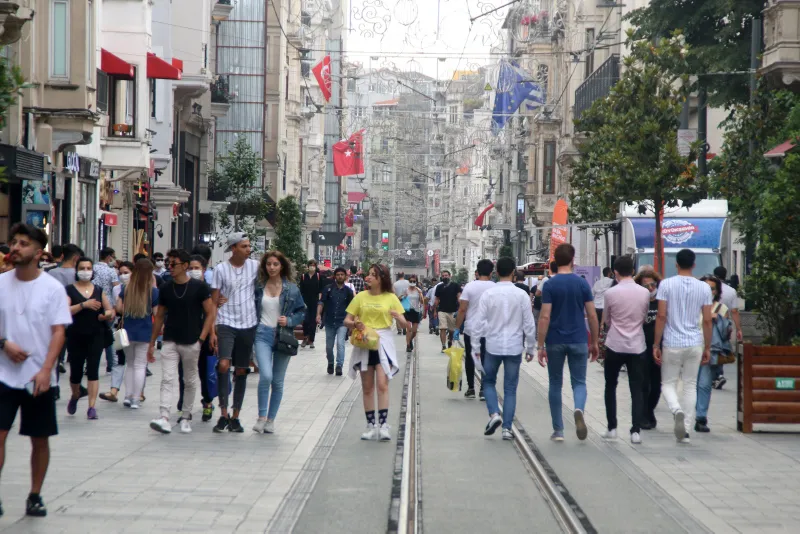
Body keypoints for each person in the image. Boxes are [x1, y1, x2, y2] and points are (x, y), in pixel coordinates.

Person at [0, 223, 72, 517]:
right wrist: (4, 344)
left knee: (39, 439)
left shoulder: (52, 288)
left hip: (38, 377)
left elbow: (58, 332)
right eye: (14, 242)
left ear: (38, 252)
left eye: (24, 243)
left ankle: (35, 494)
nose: (16, 248)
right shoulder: (1, 283)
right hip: (3, 374)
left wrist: (46, 369)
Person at [148, 249, 216, 434]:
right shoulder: (165, 287)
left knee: (190, 380)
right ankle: (163, 417)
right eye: (168, 263)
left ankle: (186, 416)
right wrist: (152, 342)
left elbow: (210, 313)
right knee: (167, 379)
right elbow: (160, 315)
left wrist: (201, 338)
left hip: (192, 341)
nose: (169, 267)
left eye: (173, 264)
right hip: (170, 339)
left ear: (184, 266)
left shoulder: (199, 287)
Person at [537, 244, 599, 442]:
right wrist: (595, 341)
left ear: (555, 260)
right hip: (578, 339)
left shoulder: (549, 285)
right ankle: (578, 409)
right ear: (572, 260)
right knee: (579, 382)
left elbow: (544, 316)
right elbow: (591, 314)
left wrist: (540, 345)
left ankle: (559, 430)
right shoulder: (582, 284)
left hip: (555, 340)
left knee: (555, 383)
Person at [470, 257, 536, 440]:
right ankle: (507, 428)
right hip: (514, 347)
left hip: (493, 345)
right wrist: (530, 348)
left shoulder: (489, 294)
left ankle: (494, 414)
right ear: (513, 272)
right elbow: (529, 324)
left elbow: (478, 322)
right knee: (510, 388)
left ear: (496, 272)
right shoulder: (521, 295)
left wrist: (475, 346)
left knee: (488, 381)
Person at [653, 248, 713, 444]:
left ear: (676, 264)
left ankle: (675, 409)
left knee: (668, 383)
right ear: (694, 264)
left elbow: (661, 316)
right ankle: (685, 430)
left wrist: (656, 343)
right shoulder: (704, 288)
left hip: (671, 341)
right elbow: (707, 321)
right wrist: (708, 347)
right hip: (695, 342)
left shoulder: (666, 285)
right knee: (690, 385)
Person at [344, 264, 407, 441]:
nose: (369, 277)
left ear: (382, 278)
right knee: (367, 387)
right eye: (369, 274)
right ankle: (371, 425)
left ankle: (384, 424)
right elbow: (346, 320)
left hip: (383, 342)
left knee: (382, 384)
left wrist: (398, 317)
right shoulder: (360, 297)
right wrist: (354, 324)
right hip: (365, 341)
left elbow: (404, 324)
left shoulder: (391, 297)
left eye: (373, 275)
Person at [252, 251, 306, 433]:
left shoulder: (292, 289)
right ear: (264, 266)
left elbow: (302, 311)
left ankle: (270, 420)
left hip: (283, 335)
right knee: (265, 375)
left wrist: (289, 321)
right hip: (262, 334)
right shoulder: (259, 286)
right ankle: (261, 416)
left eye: (275, 264)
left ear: (282, 266)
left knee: (278, 381)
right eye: (269, 264)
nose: (272, 267)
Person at [210, 233, 259, 433]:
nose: (248, 249)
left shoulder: (255, 266)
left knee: (241, 369)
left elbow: (274, 273)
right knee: (223, 364)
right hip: (226, 322)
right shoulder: (221, 269)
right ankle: (223, 413)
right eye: (244, 246)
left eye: (249, 246)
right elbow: (214, 300)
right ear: (233, 248)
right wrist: (212, 328)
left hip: (248, 323)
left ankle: (236, 415)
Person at [600, 256, 650, 444]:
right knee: (636, 388)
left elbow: (607, 320)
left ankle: (612, 427)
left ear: (615, 272)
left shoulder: (610, 293)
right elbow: (644, 317)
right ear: (633, 270)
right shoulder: (644, 293)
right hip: (637, 345)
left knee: (610, 385)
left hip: (615, 344)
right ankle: (635, 430)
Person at [65, 257, 115, 420]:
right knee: (76, 373)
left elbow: (110, 310)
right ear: (77, 271)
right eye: (82, 268)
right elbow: (64, 311)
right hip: (76, 335)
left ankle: (92, 407)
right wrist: (83, 305)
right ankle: (75, 394)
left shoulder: (99, 290)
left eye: (88, 268)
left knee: (93, 370)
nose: (85, 271)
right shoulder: (69, 290)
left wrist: (106, 315)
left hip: (96, 334)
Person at [116, 258, 160, 410]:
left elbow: (118, 308)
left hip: (128, 331)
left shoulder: (127, 288)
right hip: (145, 331)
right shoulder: (153, 292)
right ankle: (136, 398)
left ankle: (127, 396)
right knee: (140, 365)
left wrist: (129, 312)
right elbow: (156, 313)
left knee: (130, 364)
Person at [694, 275, 731, 433]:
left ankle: (701, 417)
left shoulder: (722, 309)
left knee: (703, 384)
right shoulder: (691, 307)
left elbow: (726, 334)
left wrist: (720, 320)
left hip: (710, 350)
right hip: (690, 349)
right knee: (690, 385)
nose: (709, 291)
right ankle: (689, 413)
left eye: (712, 288)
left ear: (717, 291)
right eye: (706, 288)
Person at [454, 259, 495, 400]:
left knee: (471, 358)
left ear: (477, 271)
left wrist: (457, 327)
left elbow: (462, 309)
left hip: (471, 329)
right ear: (491, 272)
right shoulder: (495, 287)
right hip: (489, 331)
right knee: (486, 359)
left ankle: (471, 388)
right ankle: (484, 389)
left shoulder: (469, 287)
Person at [99, 261, 134, 403]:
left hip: (136, 328)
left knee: (135, 363)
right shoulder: (117, 289)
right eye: (121, 273)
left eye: (127, 272)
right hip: (120, 326)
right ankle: (114, 390)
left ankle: (134, 393)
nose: (123, 275)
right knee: (119, 359)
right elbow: (115, 307)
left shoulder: (140, 288)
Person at [634, 269, 662, 430]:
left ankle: (649, 410)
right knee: (643, 383)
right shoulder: (638, 302)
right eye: (646, 285)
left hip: (658, 347)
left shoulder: (661, 302)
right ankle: (644, 415)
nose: (650, 288)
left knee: (657, 384)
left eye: (653, 284)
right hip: (640, 347)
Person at [317, 267, 354, 374]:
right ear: (335, 276)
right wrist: (318, 314)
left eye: (342, 275)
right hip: (329, 321)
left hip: (342, 321)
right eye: (338, 275)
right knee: (329, 346)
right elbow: (321, 302)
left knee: (340, 343)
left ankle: (339, 365)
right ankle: (331, 363)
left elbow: (352, 308)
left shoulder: (348, 291)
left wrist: (351, 323)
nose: (340, 276)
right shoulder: (328, 289)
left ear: (345, 276)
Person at [712, 266, 742, 390]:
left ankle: (717, 375)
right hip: (725, 323)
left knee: (712, 348)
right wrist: (738, 328)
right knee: (722, 348)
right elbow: (734, 311)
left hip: (710, 320)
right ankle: (717, 375)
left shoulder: (709, 288)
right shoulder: (731, 291)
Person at [94, 247, 119, 374]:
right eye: (113, 257)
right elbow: (116, 289)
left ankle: (91, 364)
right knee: (108, 335)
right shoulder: (112, 271)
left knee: (93, 336)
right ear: (109, 257)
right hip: (108, 306)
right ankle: (111, 364)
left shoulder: (92, 268)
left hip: (94, 304)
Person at [434, 270, 461, 352]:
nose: (445, 277)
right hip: (442, 311)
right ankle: (443, 346)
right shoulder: (439, 287)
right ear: (441, 277)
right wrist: (435, 311)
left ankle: (450, 340)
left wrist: (460, 308)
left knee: (451, 330)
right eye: (443, 275)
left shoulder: (455, 286)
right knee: (442, 328)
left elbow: (459, 297)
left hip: (453, 311)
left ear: (450, 276)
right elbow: (437, 299)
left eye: (446, 275)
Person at [298, 259, 322, 349]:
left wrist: (320, 301)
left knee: (313, 321)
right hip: (305, 301)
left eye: (313, 265)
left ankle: (311, 340)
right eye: (310, 265)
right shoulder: (304, 276)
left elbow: (321, 290)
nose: (312, 267)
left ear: (315, 267)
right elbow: (301, 290)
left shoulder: (319, 276)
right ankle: (305, 337)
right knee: (305, 320)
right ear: (308, 266)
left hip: (315, 302)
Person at [402, 275, 426, 353]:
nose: (412, 282)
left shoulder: (418, 290)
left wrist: (420, 293)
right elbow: (400, 299)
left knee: (414, 331)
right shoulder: (406, 290)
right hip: (408, 311)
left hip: (416, 311)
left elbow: (422, 302)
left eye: (414, 281)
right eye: (411, 281)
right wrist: (403, 296)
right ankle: (408, 345)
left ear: (416, 282)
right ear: (408, 282)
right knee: (409, 329)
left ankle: (410, 340)